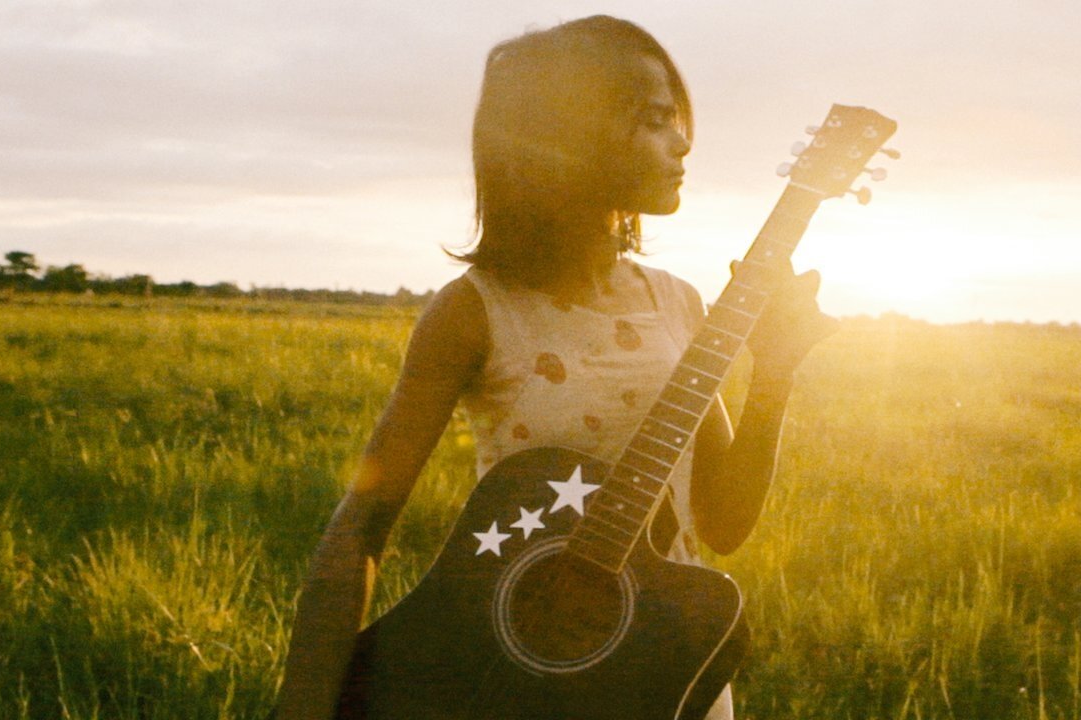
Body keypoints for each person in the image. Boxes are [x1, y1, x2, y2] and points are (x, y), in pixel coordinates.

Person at [275, 15, 837, 720]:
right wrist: (304, 705)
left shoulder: (677, 302)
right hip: (510, 675)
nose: (684, 141)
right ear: (573, 134)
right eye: (657, 119)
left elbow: (721, 525)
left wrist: (775, 375)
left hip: (660, 678)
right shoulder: (474, 312)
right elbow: (362, 523)